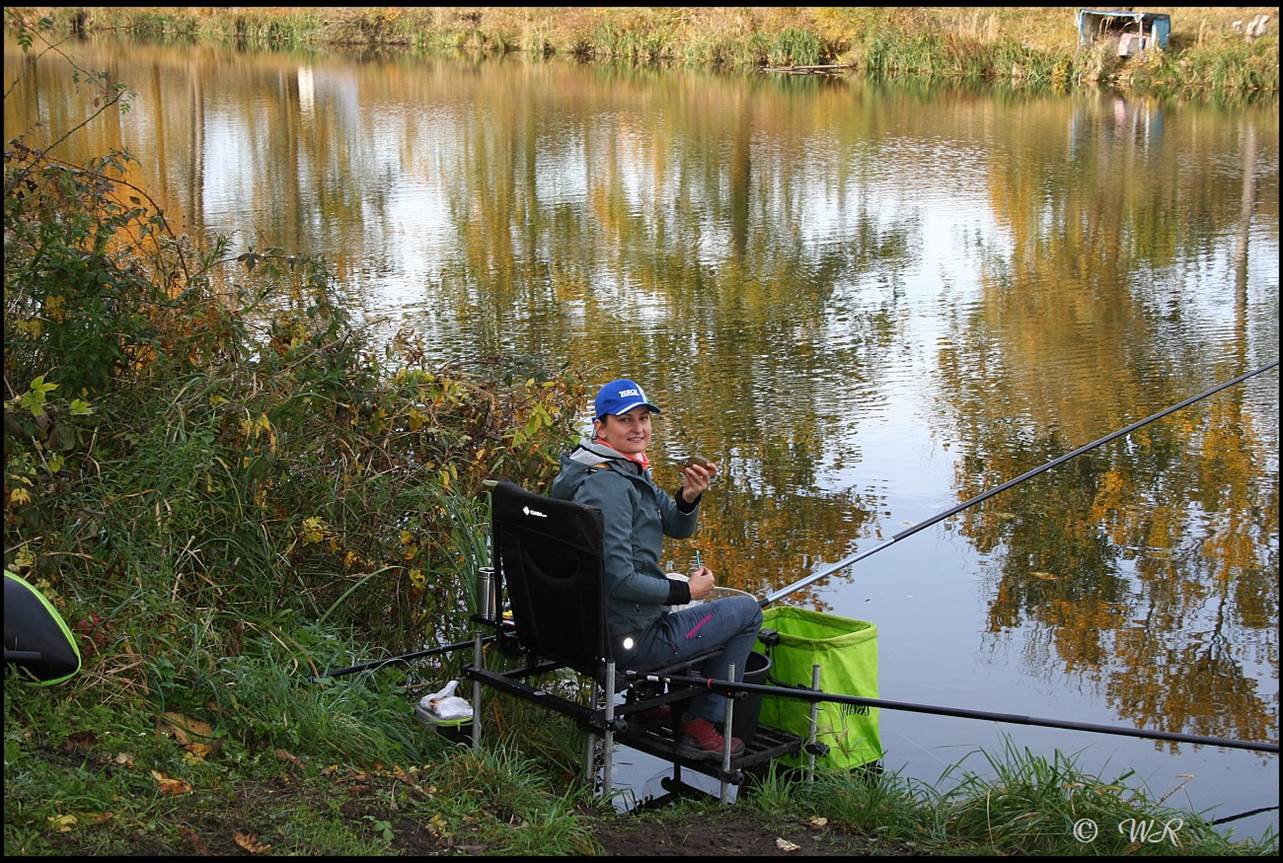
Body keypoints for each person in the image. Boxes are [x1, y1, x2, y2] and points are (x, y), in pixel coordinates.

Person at [550, 378, 763, 760]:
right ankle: (700, 723)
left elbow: (678, 527)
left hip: (595, 626)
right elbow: (619, 579)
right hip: (630, 638)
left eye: (644, 418)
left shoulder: (618, 467)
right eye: (625, 420)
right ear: (601, 427)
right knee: (746, 610)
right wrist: (687, 593)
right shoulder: (609, 486)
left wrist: (688, 497)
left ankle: (648, 701)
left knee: (684, 590)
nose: (638, 428)